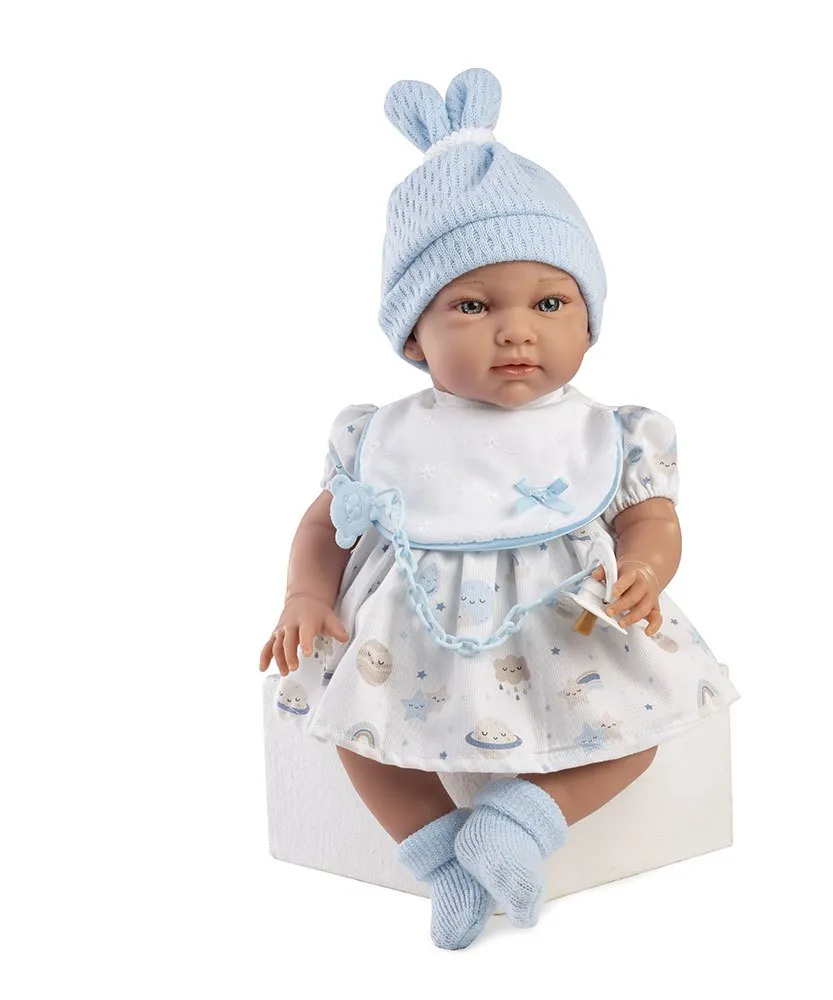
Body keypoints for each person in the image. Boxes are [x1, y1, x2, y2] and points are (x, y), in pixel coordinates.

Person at [259, 67, 740, 950]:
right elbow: (325, 524)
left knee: (641, 732)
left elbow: (651, 517)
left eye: (550, 302)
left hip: (570, 627)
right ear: (414, 335)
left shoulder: (611, 434)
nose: (516, 329)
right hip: (405, 641)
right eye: (473, 306)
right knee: (357, 738)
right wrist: (304, 593)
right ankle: (441, 858)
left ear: (589, 323)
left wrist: (646, 565)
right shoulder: (379, 435)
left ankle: (519, 822)